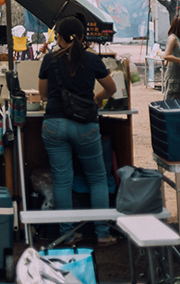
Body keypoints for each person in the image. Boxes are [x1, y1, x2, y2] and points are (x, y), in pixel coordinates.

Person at [38, 15, 117, 246]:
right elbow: (111, 88)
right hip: (85, 126)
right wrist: (95, 98)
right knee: (97, 178)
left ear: (59, 37)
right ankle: (102, 234)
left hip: (54, 125)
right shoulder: (92, 59)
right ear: (83, 37)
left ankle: (68, 235)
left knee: (63, 180)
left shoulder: (49, 59)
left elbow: (43, 94)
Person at [163, 15, 180, 100]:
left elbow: (177, 54)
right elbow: (166, 56)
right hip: (174, 77)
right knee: (172, 102)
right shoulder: (172, 38)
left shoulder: (179, 39)